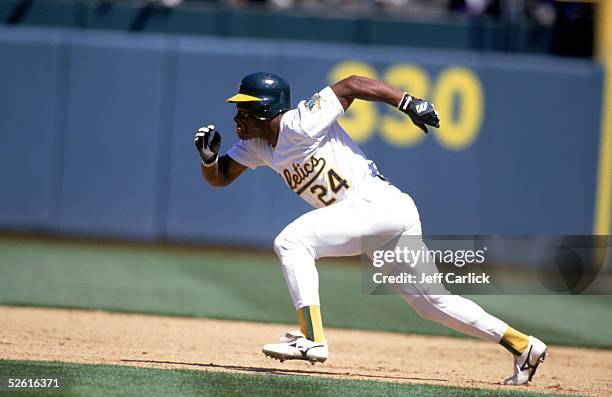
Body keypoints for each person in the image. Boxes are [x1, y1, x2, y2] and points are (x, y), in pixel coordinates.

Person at [194, 71, 548, 385]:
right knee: (433, 304)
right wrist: (209, 160)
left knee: (291, 242)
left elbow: (352, 85)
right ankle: (524, 346)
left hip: (376, 205)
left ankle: (312, 337)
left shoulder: (300, 123)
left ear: (266, 110)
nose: (236, 115)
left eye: (244, 107)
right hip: (380, 218)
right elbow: (220, 178)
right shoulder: (257, 146)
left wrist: (407, 102)